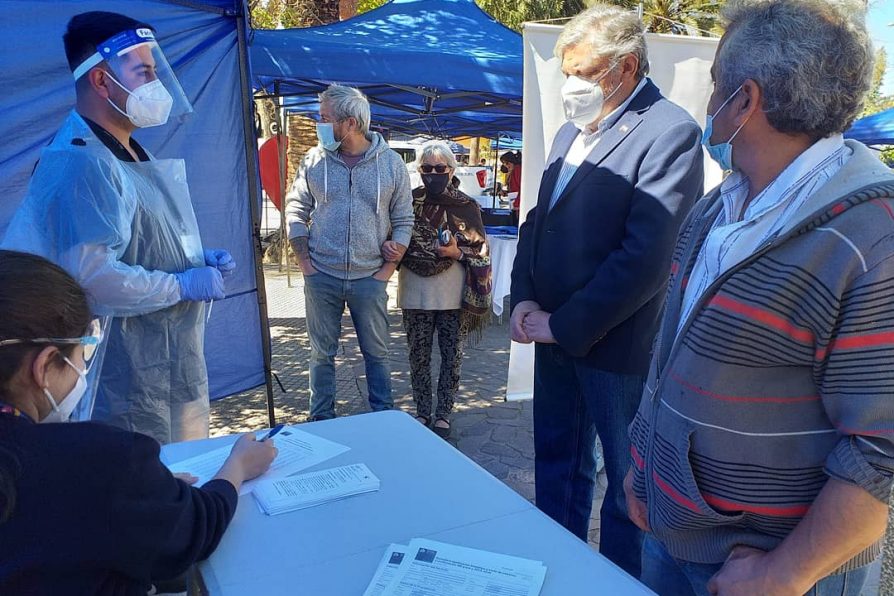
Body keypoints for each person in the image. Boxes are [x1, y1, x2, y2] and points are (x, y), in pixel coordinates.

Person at [624, 1, 894, 594]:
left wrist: (783, 573)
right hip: (673, 539)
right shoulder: (715, 210)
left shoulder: (874, 236)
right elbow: (667, 359)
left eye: (715, 86)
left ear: (744, 101)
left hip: (774, 574)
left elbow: (880, 451)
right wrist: (641, 467)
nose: (708, 106)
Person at [509, 4, 704, 577]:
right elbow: (538, 222)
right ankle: (560, 571)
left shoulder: (670, 132)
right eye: (567, 72)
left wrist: (564, 323)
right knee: (557, 465)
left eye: (585, 74)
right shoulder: (573, 130)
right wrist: (523, 297)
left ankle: (618, 583)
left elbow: (646, 259)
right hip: (552, 335)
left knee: (625, 487)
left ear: (627, 66)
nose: (572, 87)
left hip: (614, 348)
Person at [1, 12, 234, 444]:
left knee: (174, 472)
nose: (156, 84)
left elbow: (137, 244)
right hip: (122, 371)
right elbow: (94, 278)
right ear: (102, 81)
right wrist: (182, 284)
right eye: (144, 72)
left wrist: (193, 261)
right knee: (133, 481)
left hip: (159, 356)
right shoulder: (83, 163)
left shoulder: (126, 152)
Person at [0, 250, 277, 595]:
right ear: (44, 367)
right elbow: (195, 531)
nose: (82, 370)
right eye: (82, 354)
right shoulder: (98, 460)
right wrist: (237, 466)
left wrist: (140, 491)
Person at [287, 85, 414, 421]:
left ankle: (382, 418)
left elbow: (404, 218)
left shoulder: (391, 165)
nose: (320, 124)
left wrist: (388, 268)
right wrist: (305, 264)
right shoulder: (314, 159)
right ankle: (321, 420)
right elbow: (295, 209)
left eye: (326, 118)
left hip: (369, 279)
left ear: (351, 124)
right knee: (320, 354)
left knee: (377, 354)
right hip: (321, 276)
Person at [397, 142, 492, 438]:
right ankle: (423, 411)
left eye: (440, 168)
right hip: (414, 291)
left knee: (452, 356)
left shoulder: (466, 206)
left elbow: (482, 252)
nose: (434, 174)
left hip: (451, 295)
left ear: (451, 170)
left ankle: (444, 414)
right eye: (427, 169)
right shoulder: (406, 203)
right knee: (418, 356)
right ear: (419, 170)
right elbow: (394, 235)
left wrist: (456, 253)